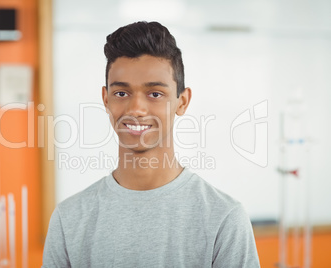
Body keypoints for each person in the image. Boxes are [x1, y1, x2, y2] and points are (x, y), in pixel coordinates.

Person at [42, 21, 260, 268]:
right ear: (106, 100)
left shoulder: (224, 219)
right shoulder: (68, 220)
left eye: (155, 94)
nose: (136, 109)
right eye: (121, 93)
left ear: (182, 102)